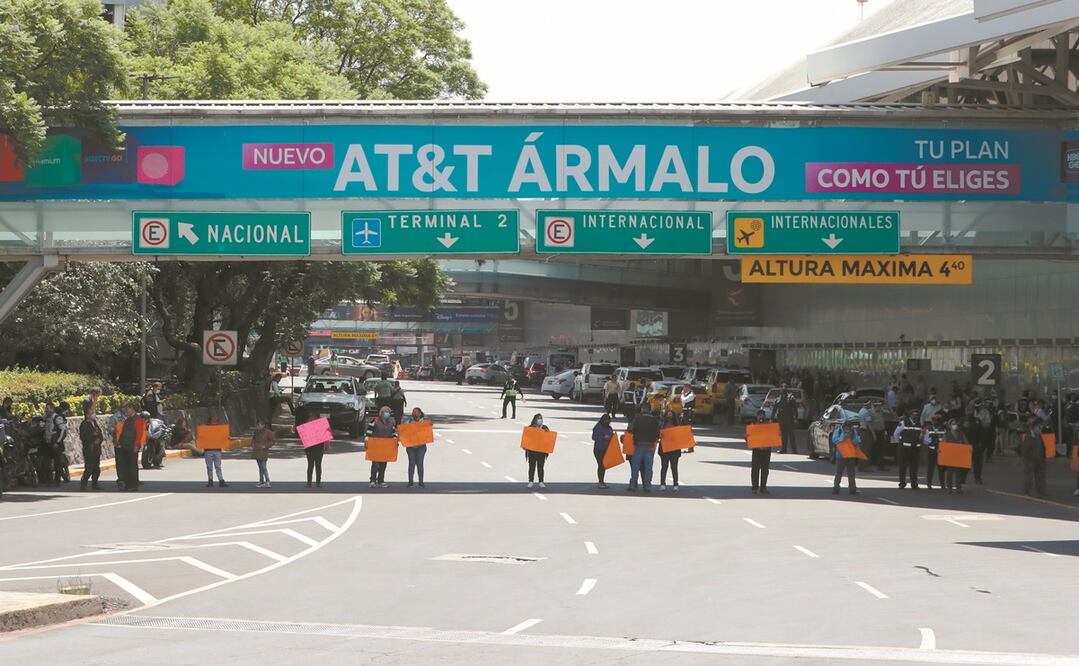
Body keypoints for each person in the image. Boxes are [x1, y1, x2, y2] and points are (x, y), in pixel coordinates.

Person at [628, 402, 660, 491]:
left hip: (639, 444)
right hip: (650, 445)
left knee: (635, 466)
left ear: (642, 409)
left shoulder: (638, 417)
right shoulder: (654, 420)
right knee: (648, 467)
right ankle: (647, 485)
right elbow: (658, 433)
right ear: (650, 410)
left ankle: (633, 484)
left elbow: (630, 429)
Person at [113, 403, 145, 492]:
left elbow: (139, 434)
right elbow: (120, 431)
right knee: (125, 466)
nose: (127, 411)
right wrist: (118, 442)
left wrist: (137, 445)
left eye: (128, 409)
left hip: (132, 446)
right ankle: (127, 484)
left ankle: (133, 485)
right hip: (124, 446)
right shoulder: (126, 420)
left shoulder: (138, 420)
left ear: (133, 409)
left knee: (132, 466)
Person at [1018, 419, 1048, 498]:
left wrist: (1043, 458)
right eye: (1038, 427)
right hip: (1030, 460)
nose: (1040, 429)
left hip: (1039, 459)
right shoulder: (1028, 436)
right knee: (1029, 476)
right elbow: (1025, 449)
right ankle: (1026, 492)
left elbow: (1043, 448)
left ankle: (1040, 492)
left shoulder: (1039, 436)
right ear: (1033, 427)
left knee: (1040, 477)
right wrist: (1029, 458)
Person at [893, 408, 921, 489]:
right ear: (910, 415)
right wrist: (901, 442)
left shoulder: (919, 423)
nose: (915, 416)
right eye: (913, 415)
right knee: (902, 466)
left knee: (914, 467)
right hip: (904, 449)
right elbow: (896, 434)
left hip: (915, 449)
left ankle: (914, 483)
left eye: (916, 415)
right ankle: (902, 483)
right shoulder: (903, 423)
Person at [831, 420, 861, 496]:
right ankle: (836, 488)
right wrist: (844, 436)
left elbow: (857, 441)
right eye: (846, 428)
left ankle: (852, 489)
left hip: (850, 455)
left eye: (849, 428)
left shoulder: (853, 432)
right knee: (839, 473)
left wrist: (851, 438)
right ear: (844, 427)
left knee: (851, 473)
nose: (848, 429)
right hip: (841, 455)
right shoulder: (839, 431)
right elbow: (835, 440)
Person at [368, 407, 396, 488]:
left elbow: (393, 432)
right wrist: (367, 441)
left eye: (389, 412)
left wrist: (394, 438)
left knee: (383, 464)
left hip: (386, 446)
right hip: (376, 445)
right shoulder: (375, 420)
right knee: (375, 464)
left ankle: (381, 480)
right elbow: (369, 432)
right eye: (386, 412)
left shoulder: (391, 422)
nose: (387, 413)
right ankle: (372, 480)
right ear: (381, 413)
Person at [941, 418, 969, 495]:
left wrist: (968, 450)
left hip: (958, 457)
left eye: (955, 424)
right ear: (949, 426)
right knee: (949, 473)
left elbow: (966, 444)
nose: (954, 425)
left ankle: (958, 488)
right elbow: (943, 445)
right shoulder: (946, 434)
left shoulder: (961, 434)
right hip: (950, 457)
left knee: (958, 473)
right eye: (952, 424)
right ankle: (949, 488)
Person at [78, 407, 103, 491]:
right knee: (89, 468)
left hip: (96, 449)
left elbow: (100, 434)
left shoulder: (95, 423)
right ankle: (83, 483)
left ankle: (95, 484)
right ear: (87, 415)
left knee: (97, 468)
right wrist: (92, 436)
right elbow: (83, 437)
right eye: (91, 413)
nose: (93, 415)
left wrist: (99, 439)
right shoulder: (84, 424)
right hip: (89, 449)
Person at [657, 407, 682, 491]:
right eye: (668, 415)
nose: (669, 416)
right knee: (664, 467)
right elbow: (658, 434)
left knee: (674, 467)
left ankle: (675, 484)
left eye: (671, 415)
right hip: (664, 449)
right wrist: (659, 435)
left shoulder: (677, 425)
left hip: (674, 449)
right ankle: (662, 484)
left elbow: (680, 436)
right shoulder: (661, 424)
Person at [403, 407, 428, 488]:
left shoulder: (424, 422)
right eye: (413, 412)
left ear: (420, 413)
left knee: (420, 463)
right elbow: (404, 430)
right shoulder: (409, 421)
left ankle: (421, 481)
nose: (415, 414)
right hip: (411, 446)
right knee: (412, 463)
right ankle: (410, 481)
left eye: (416, 412)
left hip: (421, 446)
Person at [47, 402, 71, 485]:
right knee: (48, 462)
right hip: (49, 442)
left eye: (48, 408)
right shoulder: (48, 418)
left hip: (56, 443)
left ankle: (57, 481)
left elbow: (63, 430)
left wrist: (57, 442)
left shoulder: (57, 418)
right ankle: (50, 480)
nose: (46, 410)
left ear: (52, 409)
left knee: (58, 463)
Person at [750, 410, 772, 494]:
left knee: (765, 470)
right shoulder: (753, 425)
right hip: (757, 450)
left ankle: (763, 487)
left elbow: (774, 436)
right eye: (759, 416)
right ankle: (755, 487)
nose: (761, 417)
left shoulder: (769, 425)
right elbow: (748, 438)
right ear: (757, 417)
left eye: (763, 416)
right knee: (755, 469)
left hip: (766, 450)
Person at [524, 413, 549, 488]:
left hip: (541, 452)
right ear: (535, 419)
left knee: (540, 467)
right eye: (538, 418)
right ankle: (531, 481)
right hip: (532, 451)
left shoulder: (544, 428)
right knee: (532, 467)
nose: (540, 420)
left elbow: (549, 438)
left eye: (541, 418)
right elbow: (526, 438)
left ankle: (541, 481)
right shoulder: (530, 427)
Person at [203, 416, 228, 488]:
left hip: (217, 450)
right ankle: (210, 480)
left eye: (216, 420)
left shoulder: (219, 429)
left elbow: (223, 437)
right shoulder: (205, 429)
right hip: (208, 450)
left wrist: (226, 438)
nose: (215, 422)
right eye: (214, 420)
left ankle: (221, 480)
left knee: (218, 466)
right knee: (209, 467)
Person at [591, 413, 614, 490]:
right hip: (598, 449)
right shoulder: (597, 427)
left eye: (608, 420)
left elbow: (611, 435)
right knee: (601, 465)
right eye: (605, 420)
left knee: (603, 466)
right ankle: (600, 482)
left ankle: (602, 481)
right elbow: (594, 437)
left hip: (606, 449)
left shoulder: (609, 428)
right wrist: (603, 437)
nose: (607, 422)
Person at [251, 419, 275, 488]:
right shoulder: (256, 432)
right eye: (257, 425)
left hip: (263, 451)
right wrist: (252, 444)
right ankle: (261, 481)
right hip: (257, 451)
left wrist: (266, 446)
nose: (258, 426)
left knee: (264, 467)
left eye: (259, 425)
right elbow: (253, 439)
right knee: (260, 467)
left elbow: (273, 441)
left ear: (263, 425)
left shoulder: (268, 432)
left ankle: (267, 481)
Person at [923, 413, 944, 490]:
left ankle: (942, 484)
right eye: (934, 420)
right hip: (931, 450)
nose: (936, 422)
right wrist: (932, 441)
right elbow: (925, 441)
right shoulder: (928, 429)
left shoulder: (943, 429)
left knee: (941, 469)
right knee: (930, 468)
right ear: (932, 421)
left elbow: (945, 440)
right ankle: (929, 484)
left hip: (940, 451)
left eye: (937, 420)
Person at [776, 386, 797, 454]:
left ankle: (794, 450)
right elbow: (775, 408)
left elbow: (795, 409)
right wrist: (771, 418)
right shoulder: (779, 398)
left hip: (789, 419)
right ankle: (783, 449)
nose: (783, 393)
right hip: (782, 419)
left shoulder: (791, 398)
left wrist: (795, 417)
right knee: (784, 435)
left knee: (791, 435)